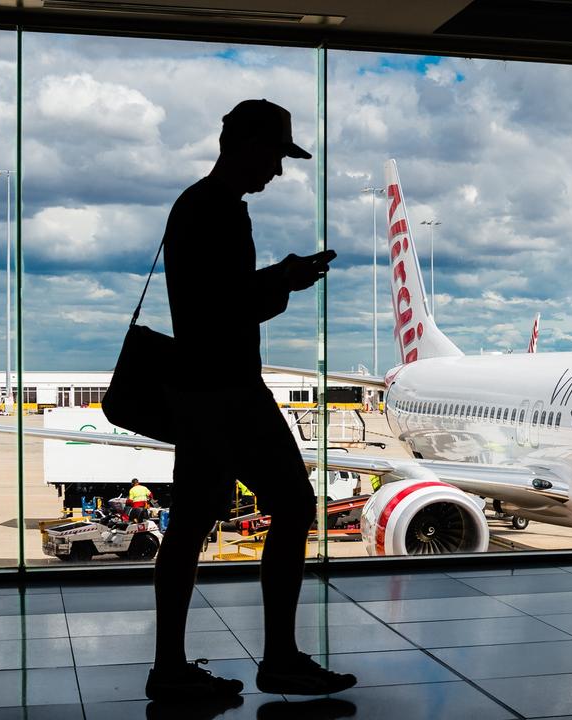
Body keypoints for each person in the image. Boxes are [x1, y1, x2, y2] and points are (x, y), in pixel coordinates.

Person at [144, 99, 356, 702]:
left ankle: (170, 665)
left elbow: (207, 301)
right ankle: (281, 658)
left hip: (200, 386)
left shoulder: (194, 205)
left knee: (189, 524)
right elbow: (226, 305)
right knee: (293, 504)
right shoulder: (219, 211)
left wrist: (270, 282)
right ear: (247, 145)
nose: (279, 171)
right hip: (228, 388)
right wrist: (280, 281)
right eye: (275, 155)